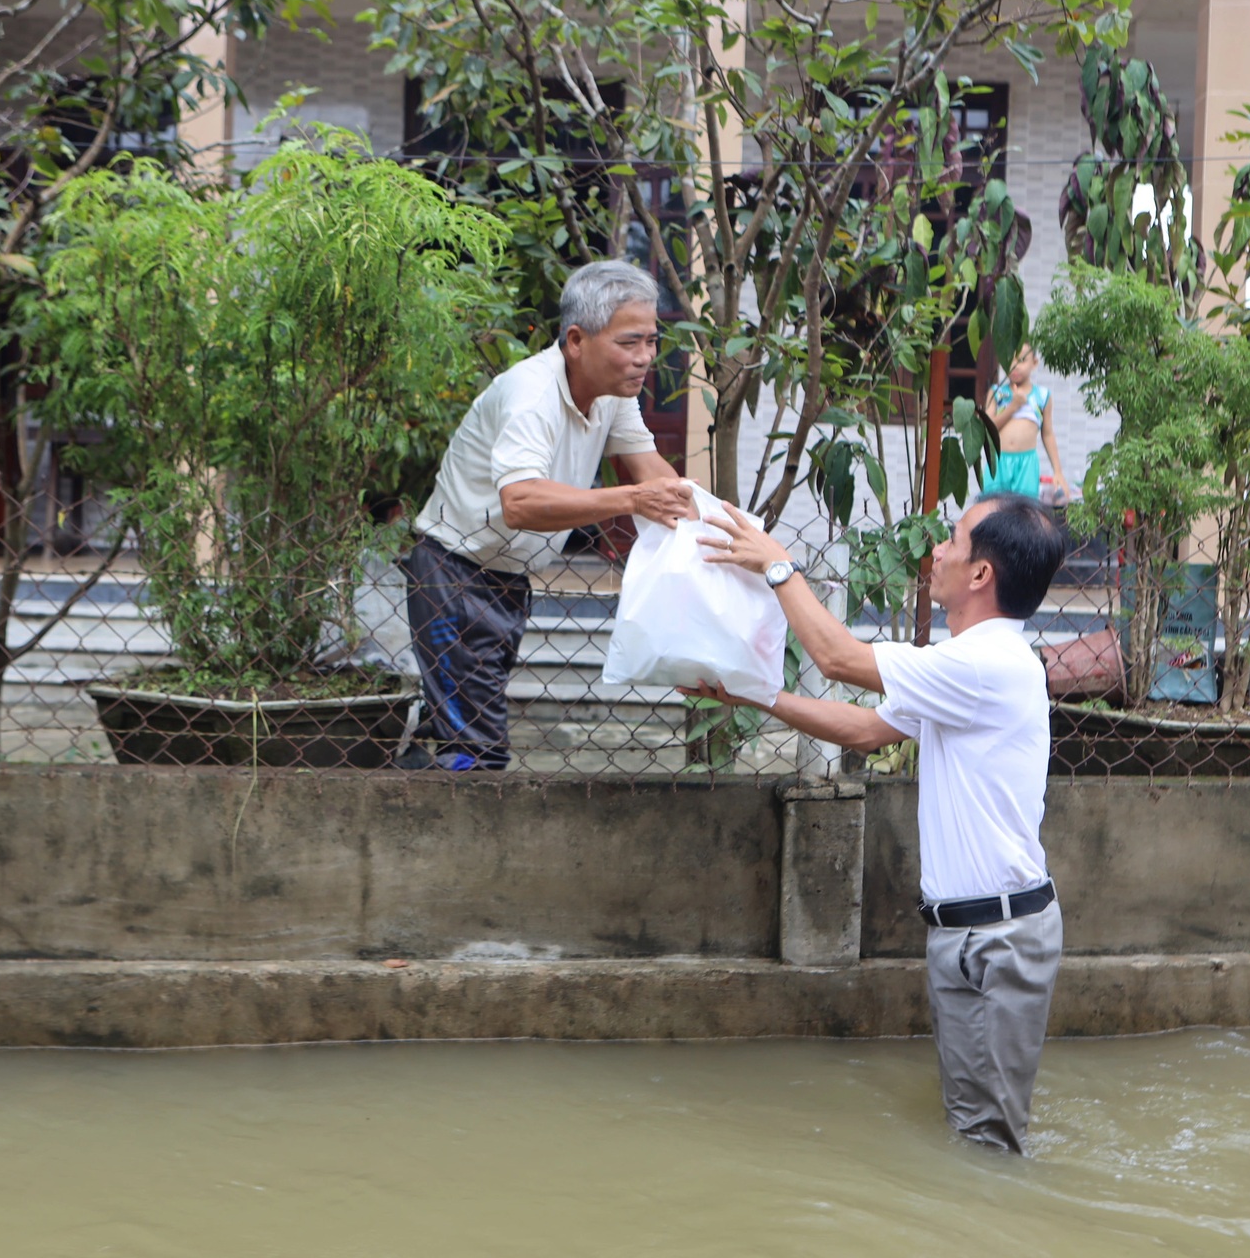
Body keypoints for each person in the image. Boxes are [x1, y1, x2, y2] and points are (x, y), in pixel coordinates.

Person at [682, 492, 1068, 1154]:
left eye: (953, 539)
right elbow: (866, 727)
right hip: (973, 934)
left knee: (989, 1148)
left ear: (981, 575)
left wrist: (781, 567)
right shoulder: (973, 666)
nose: (937, 551)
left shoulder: (984, 664)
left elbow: (836, 657)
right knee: (976, 1133)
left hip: (996, 939)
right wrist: (753, 694)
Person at [400, 261, 695, 771]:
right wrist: (630, 500)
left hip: (508, 579)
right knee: (477, 748)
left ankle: (409, 784)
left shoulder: (611, 396)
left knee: (461, 727)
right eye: (629, 343)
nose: (645, 357)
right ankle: (457, 825)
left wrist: (720, 533)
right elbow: (522, 503)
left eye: (651, 340)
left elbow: (656, 477)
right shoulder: (531, 396)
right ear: (576, 340)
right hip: (453, 576)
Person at [983, 345, 1071, 503]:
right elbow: (988, 428)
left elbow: (1047, 433)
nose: (1015, 366)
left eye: (1022, 360)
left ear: (1034, 363)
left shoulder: (1042, 396)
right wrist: (1013, 406)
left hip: (1027, 464)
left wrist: (1057, 471)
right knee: (992, 510)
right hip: (998, 462)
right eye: (1010, 360)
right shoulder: (996, 392)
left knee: (1025, 512)